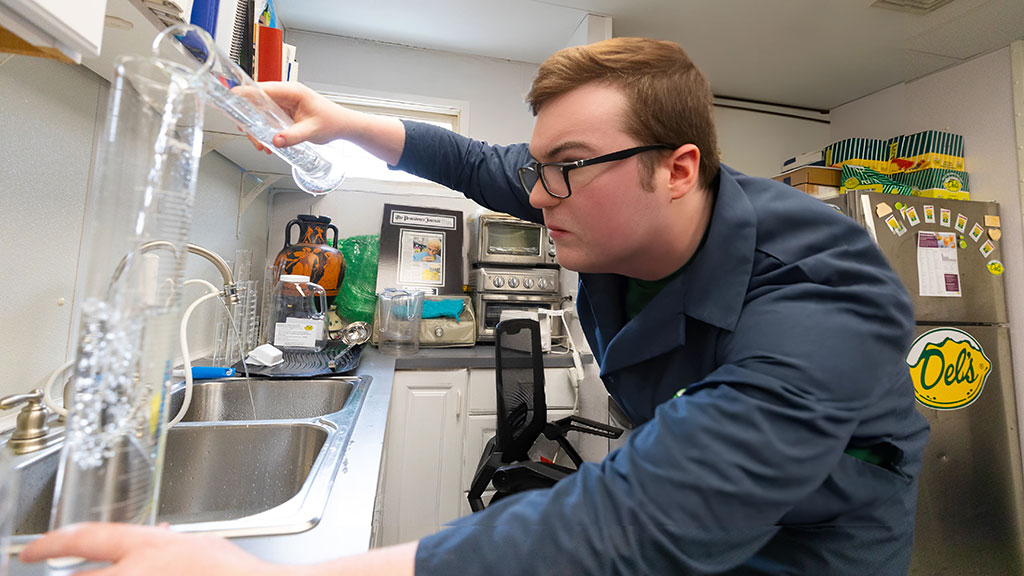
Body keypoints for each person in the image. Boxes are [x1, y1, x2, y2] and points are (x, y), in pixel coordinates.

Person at [23, 37, 929, 575]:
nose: (536, 194)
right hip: (688, 504)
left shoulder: (823, 293)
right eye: (540, 167)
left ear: (679, 166)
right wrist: (343, 121)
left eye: (563, 168)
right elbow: (481, 164)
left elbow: (646, 516)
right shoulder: (599, 206)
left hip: (816, 541)